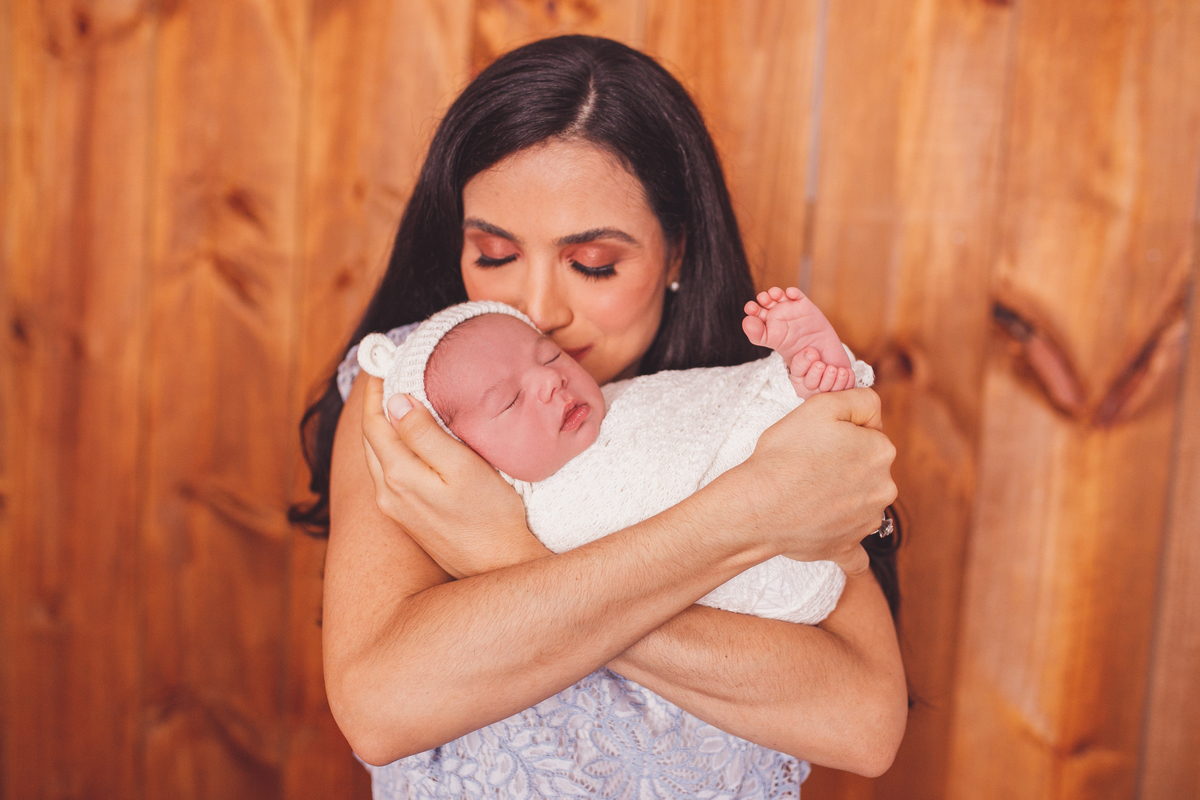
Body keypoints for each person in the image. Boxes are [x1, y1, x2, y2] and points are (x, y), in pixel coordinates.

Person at [293, 35, 905, 799]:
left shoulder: (749, 408)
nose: (539, 309)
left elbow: (864, 724)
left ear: (677, 252)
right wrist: (744, 519)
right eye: (492, 253)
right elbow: (383, 705)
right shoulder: (420, 398)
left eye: (593, 266)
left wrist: (509, 558)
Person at [351, 288, 876, 625]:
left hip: (798, 503)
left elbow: (710, 401)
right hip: (764, 585)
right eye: (509, 401)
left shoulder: (631, 397)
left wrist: (786, 383)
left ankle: (804, 384)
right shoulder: (536, 511)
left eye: (549, 356)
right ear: (459, 459)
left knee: (771, 405)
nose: (550, 380)